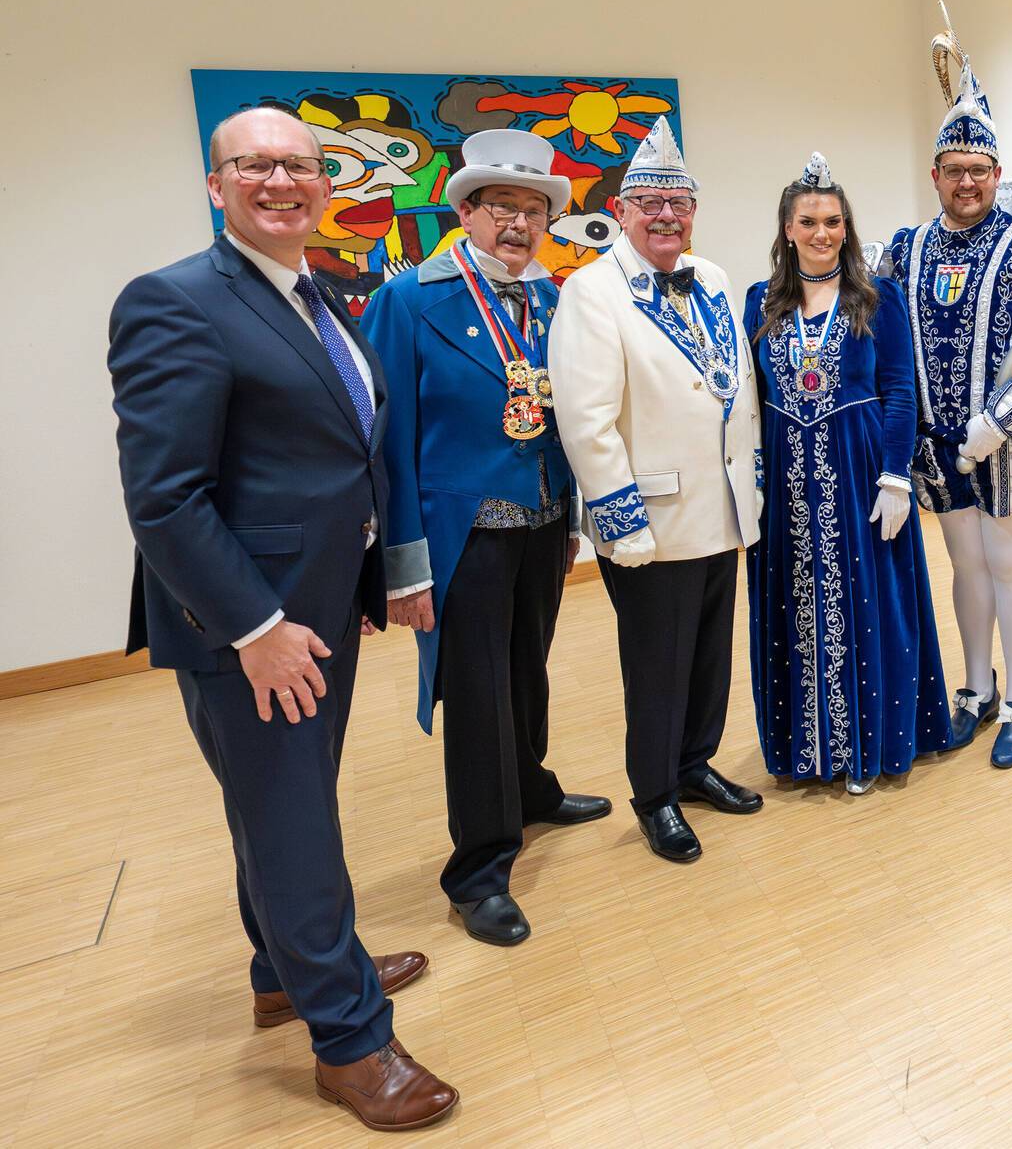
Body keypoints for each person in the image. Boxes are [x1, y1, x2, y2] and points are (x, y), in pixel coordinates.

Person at [109, 106, 456, 1130]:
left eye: (300, 166)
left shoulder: (317, 295)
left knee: (284, 806)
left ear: (324, 183)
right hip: (252, 629)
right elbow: (164, 497)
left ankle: (285, 972)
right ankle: (350, 1039)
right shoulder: (173, 302)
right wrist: (253, 628)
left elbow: (347, 449)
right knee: (293, 821)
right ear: (216, 184)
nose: (281, 181)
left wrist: (380, 575)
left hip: (317, 611)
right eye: (255, 165)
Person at [359, 128, 611, 948]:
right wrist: (402, 566)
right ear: (465, 210)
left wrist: (571, 511)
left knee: (526, 671)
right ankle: (479, 865)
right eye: (500, 207)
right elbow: (386, 442)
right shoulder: (410, 300)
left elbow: (565, 413)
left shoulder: (553, 297)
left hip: (539, 521)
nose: (517, 224)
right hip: (460, 533)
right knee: (475, 697)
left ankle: (531, 790)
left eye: (532, 210)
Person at [550, 119, 764, 863]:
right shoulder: (590, 291)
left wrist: (752, 489)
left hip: (721, 511)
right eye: (650, 203)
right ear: (622, 208)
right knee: (658, 666)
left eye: (679, 201)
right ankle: (655, 795)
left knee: (709, 657)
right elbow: (585, 421)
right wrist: (621, 520)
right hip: (652, 521)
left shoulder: (712, 277)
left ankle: (695, 764)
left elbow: (740, 392)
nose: (666, 214)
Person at [887, 10, 1012, 769]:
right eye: (953, 170)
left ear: (997, 176)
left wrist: (999, 423)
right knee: (964, 568)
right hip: (938, 452)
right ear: (934, 175)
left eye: (979, 171)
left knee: (1010, 568)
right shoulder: (904, 250)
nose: (966, 182)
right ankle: (975, 688)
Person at [745, 153, 952, 793]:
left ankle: (871, 742)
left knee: (869, 604)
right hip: (787, 477)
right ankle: (808, 751)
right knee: (795, 604)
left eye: (833, 221)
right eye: (808, 221)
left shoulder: (876, 297)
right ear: (787, 228)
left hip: (860, 470)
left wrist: (896, 475)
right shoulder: (759, 302)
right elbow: (749, 399)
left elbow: (897, 391)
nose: (822, 233)